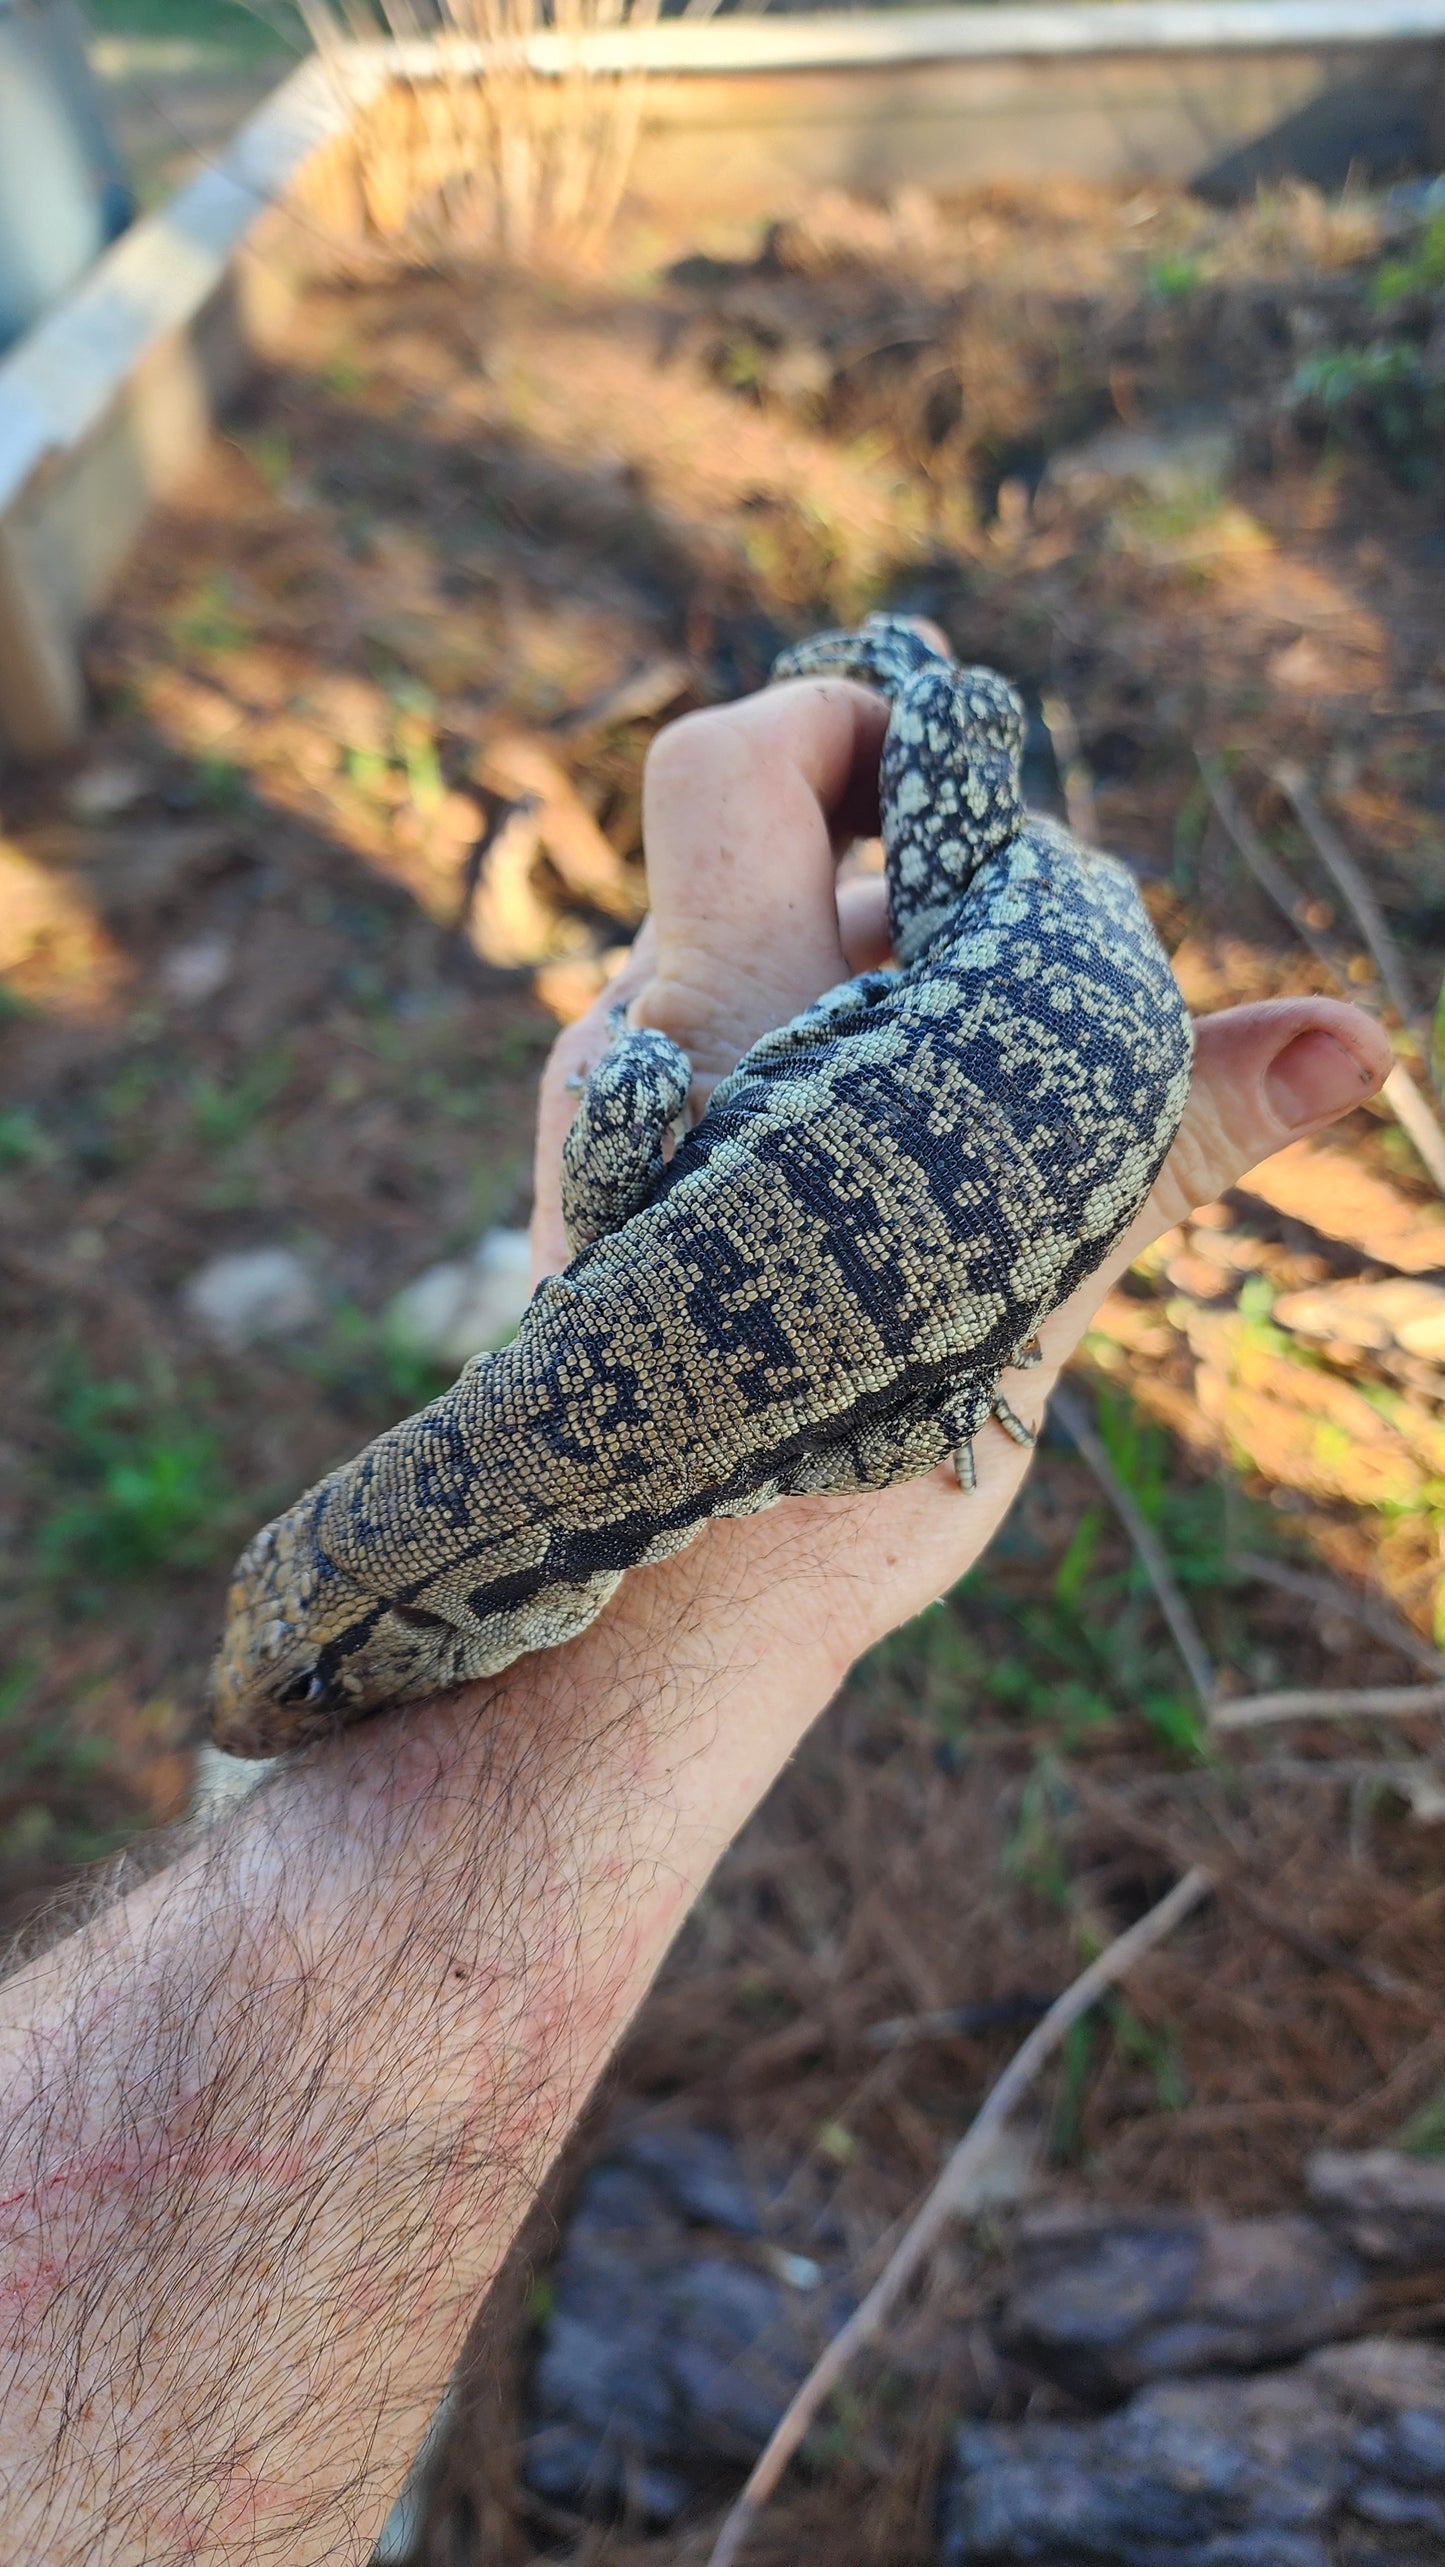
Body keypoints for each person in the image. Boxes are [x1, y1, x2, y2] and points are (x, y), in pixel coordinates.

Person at [0, 665, 1389, 2563]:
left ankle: (913, 670)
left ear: (485, 1622)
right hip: (1018, 959)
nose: (271, 1718)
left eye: (334, 1676)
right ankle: (926, 680)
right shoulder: (605, 1286)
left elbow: (862, 1395)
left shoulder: (752, 1476)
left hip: (1026, 976)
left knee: (926, 697)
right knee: (931, 720)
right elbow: (646, 1080)